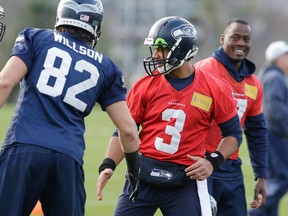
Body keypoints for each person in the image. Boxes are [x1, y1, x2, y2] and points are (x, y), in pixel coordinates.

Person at [0, 0, 139, 215]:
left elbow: (4, 83)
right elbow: (128, 130)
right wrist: (134, 171)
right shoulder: (107, 67)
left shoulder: (36, 37)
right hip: (68, 158)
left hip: (24, 146)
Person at [97, 16, 243, 216]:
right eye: (154, 48)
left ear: (181, 49)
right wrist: (109, 164)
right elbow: (124, 130)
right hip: (143, 177)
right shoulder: (145, 85)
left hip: (186, 181)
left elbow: (233, 134)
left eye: (161, 48)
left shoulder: (214, 87)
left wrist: (213, 161)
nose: (155, 55)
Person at [194, 18, 269, 216]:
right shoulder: (203, 71)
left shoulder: (253, 83)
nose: (241, 43)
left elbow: (257, 131)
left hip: (232, 169)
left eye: (246, 39)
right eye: (235, 37)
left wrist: (262, 175)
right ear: (222, 39)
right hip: (202, 164)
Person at [249, 41, 288, 216]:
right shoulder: (276, 77)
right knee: (282, 178)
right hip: (275, 134)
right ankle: (257, 211)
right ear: (278, 58)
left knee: (273, 180)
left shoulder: (266, 75)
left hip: (268, 134)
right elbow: (276, 108)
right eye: (286, 56)